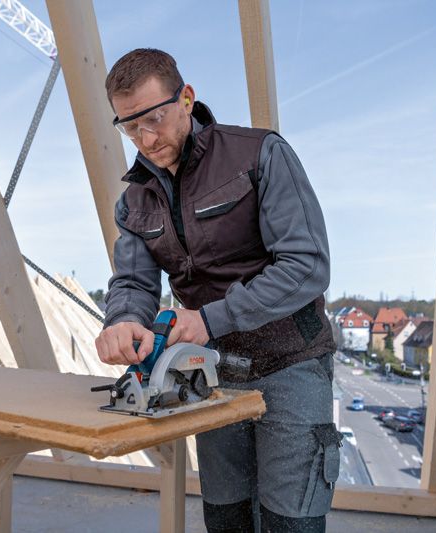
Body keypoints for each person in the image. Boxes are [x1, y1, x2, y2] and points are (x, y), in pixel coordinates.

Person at [95, 48, 341, 533]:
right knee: (225, 520)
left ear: (186, 98)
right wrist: (123, 319)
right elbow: (132, 281)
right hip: (210, 376)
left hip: (292, 365)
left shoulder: (260, 154)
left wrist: (209, 320)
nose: (145, 140)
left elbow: (306, 265)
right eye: (128, 127)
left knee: (290, 524)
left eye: (154, 119)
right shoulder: (134, 202)